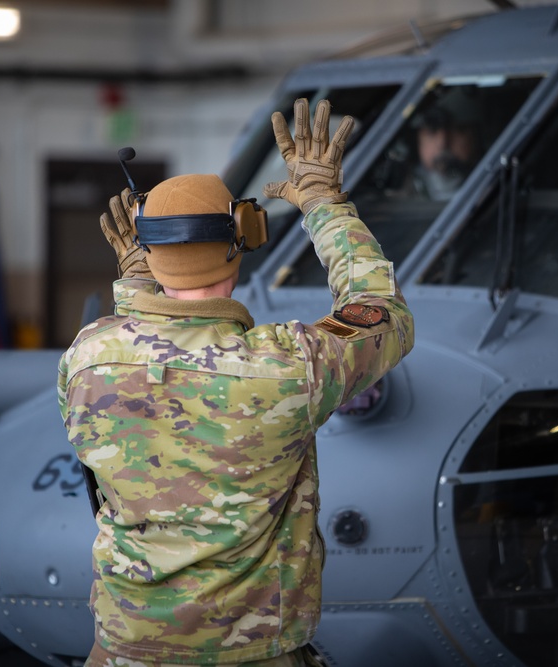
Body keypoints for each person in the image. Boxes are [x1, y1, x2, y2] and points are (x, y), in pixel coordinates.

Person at [57, 98, 414, 666]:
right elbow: (381, 312)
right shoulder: (290, 366)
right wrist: (323, 202)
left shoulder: (88, 356)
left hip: (123, 651)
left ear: (147, 248)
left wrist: (139, 283)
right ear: (241, 238)